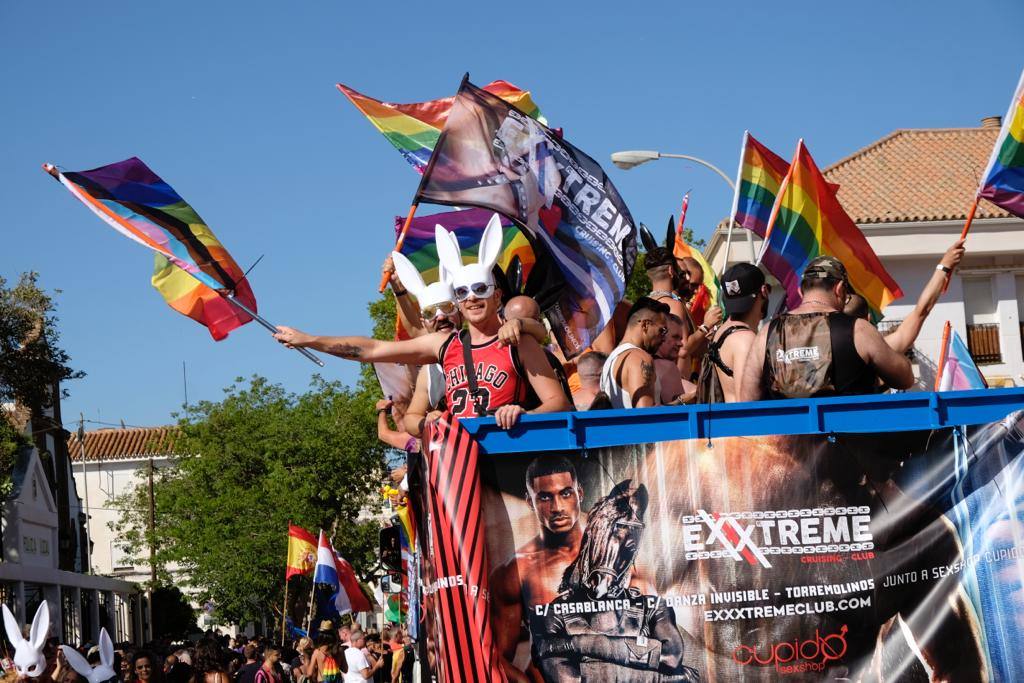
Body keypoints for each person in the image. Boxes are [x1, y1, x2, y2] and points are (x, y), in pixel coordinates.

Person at [275, 216, 569, 430]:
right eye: (462, 293)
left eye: (481, 289)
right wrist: (310, 340)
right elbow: (372, 350)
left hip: (507, 458)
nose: (472, 299)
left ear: (497, 297)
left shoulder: (518, 342)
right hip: (459, 462)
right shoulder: (444, 345)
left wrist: (522, 414)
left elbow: (558, 403)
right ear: (457, 303)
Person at [739, 256, 914, 401]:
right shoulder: (858, 330)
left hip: (787, 440)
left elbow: (747, 399)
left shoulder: (767, 333)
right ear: (839, 289)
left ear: (801, 292)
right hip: (851, 440)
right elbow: (905, 378)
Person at [489, 456, 586, 682]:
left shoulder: (617, 556)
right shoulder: (515, 571)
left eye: (565, 493)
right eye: (545, 497)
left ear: (579, 494)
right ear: (530, 502)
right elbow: (497, 657)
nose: (557, 507)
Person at [845, 239, 966, 355]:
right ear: (868, 318)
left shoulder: (828, 353)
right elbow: (921, 311)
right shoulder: (880, 351)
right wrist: (944, 265)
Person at [698, 263, 771, 403]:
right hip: (745, 424)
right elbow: (745, 402)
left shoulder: (723, 332)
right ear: (764, 291)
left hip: (729, 421)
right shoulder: (744, 339)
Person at [599, 298, 670, 409]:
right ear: (645, 325)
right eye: (662, 330)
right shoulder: (639, 358)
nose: (664, 338)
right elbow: (645, 415)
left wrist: (681, 401)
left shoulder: (612, 358)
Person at [654, 314, 694, 405]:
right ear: (660, 335)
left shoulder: (642, 360)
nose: (680, 343)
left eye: (680, 338)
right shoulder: (667, 367)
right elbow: (676, 414)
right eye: (675, 337)